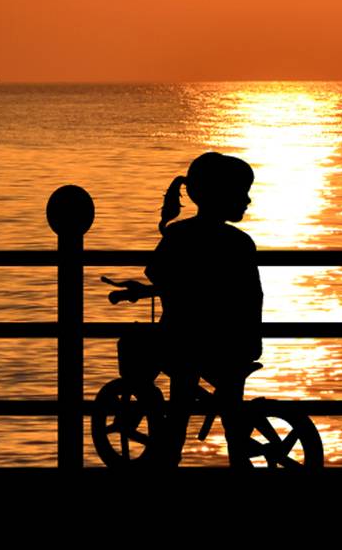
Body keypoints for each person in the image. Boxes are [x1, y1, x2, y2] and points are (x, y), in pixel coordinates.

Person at [124, 152, 264, 467]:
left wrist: (146, 291)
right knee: (231, 411)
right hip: (232, 344)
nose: (247, 200)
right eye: (241, 193)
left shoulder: (179, 234)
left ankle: (169, 457)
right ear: (220, 195)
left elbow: (160, 275)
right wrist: (252, 340)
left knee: (180, 404)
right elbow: (252, 295)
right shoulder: (240, 243)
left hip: (185, 339)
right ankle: (239, 461)